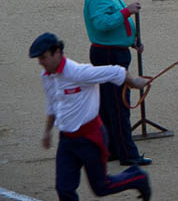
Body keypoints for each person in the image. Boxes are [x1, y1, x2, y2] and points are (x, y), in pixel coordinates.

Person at [30, 32, 152, 200]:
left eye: (43, 57)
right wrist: (47, 132)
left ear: (57, 52)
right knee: (64, 189)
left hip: (91, 139)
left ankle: (138, 177)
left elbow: (116, 71)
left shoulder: (78, 72)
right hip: (67, 140)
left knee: (101, 187)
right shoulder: (47, 77)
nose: (41, 63)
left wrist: (135, 81)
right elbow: (52, 105)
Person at [83, 0, 151, 166]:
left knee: (109, 105)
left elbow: (111, 27)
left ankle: (111, 149)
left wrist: (132, 41)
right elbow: (102, 24)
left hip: (113, 51)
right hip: (109, 54)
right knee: (119, 105)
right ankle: (127, 153)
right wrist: (127, 12)